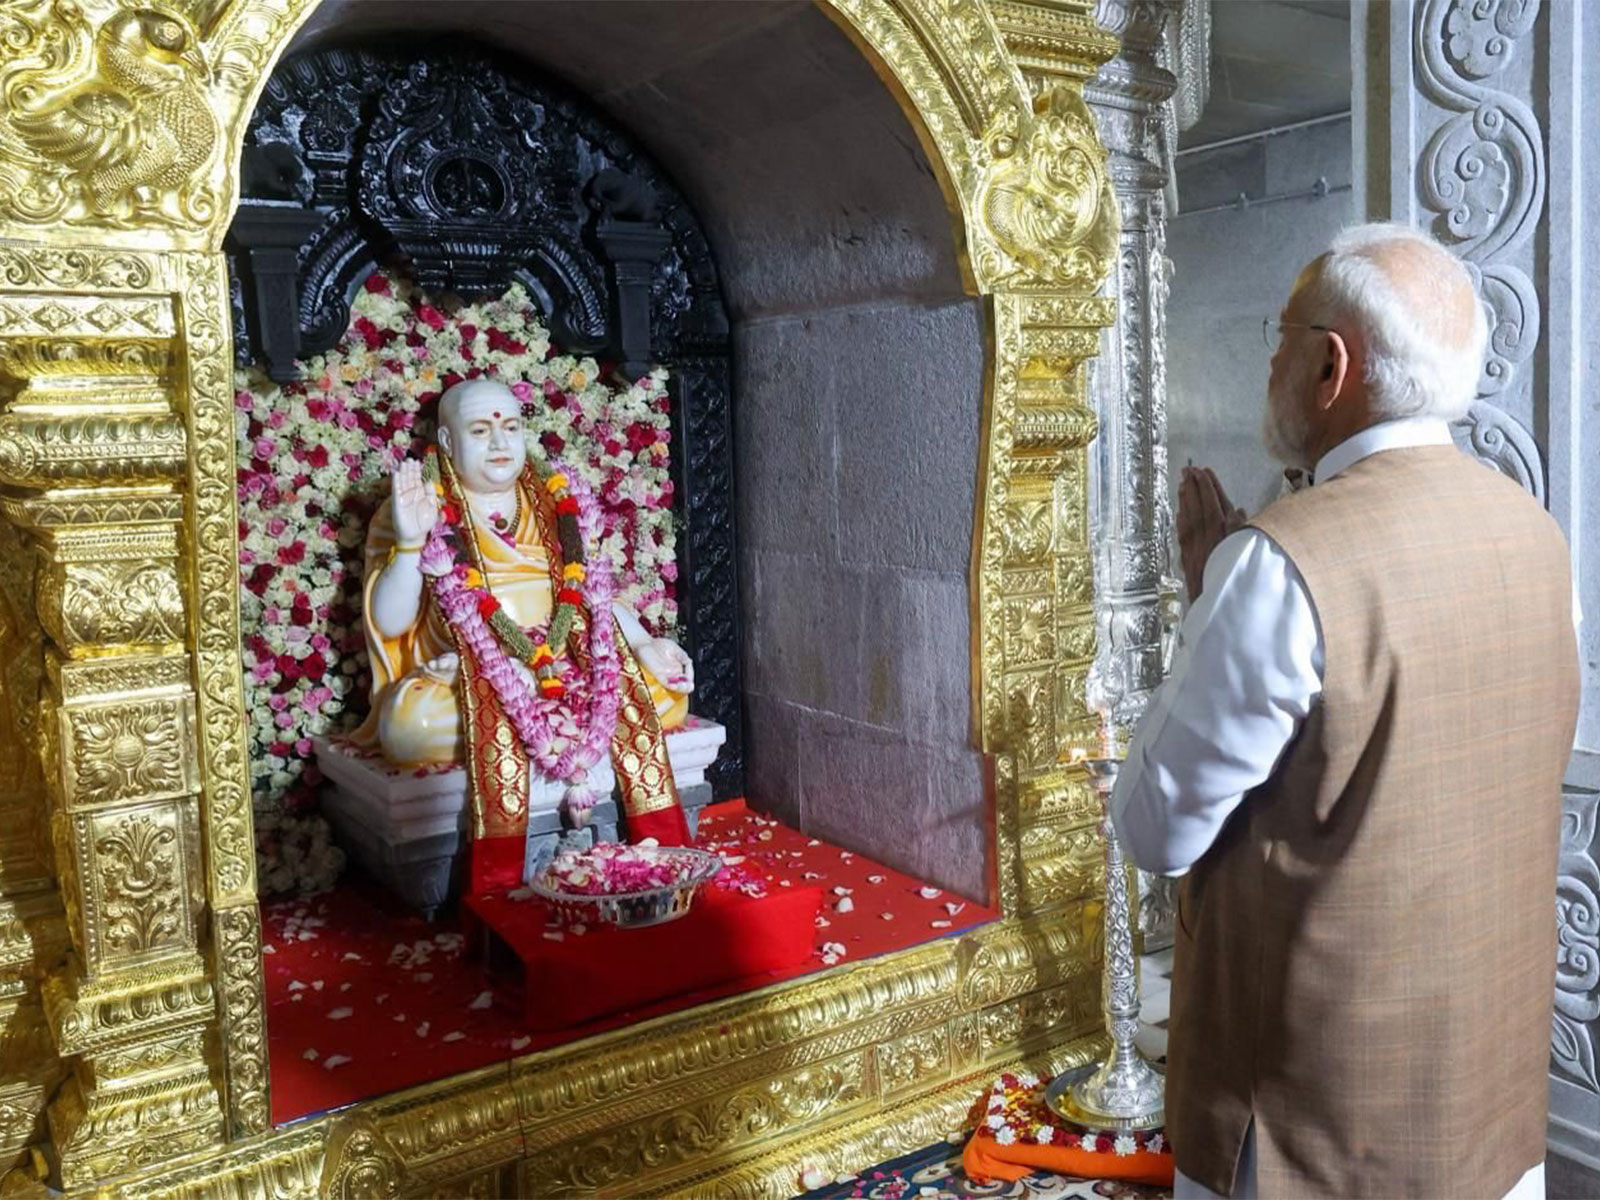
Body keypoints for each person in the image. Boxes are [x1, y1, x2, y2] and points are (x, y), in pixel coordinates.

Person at [1110, 223, 1580, 1199]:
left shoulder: (1278, 562)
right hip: (1483, 1094)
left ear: (1329, 364)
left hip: (1312, 1122)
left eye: (1278, 337)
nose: (1269, 362)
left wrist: (1207, 606)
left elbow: (1156, 828)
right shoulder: (1535, 536)